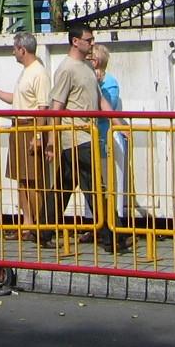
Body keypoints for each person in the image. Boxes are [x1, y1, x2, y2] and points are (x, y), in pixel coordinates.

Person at [46, 23, 127, 253]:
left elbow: (101, 101)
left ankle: (43, 230)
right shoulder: (67, 69)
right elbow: (57, 107)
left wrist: (119, 124)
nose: (92, 43)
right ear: (75, 41)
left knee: (64, 185)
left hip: (85, 134)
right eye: (88, 39)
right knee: (95, 186)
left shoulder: (87, 68)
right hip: (75, 137)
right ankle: (113, 236)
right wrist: (52, 140)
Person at [0, 32, 51, 244]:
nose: (13, 51)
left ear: (23, 49)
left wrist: (38, 135)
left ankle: (36, 224)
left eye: (14, 48)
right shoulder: (26, 72)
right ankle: (27, 223)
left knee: (33, 179)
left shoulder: (39, 73)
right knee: (22, 179)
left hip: (30, 127)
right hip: (19, 126)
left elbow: (42, 107)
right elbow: (18, 100)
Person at [89, 43, 130, 231]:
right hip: (93, 136)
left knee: (110, 181)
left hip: (108, 137)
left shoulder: (110, 83)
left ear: (95, 61)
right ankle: (94, 222)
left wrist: (96, 86)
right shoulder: (89, 79)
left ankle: (114, 221)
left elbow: (107, 108)